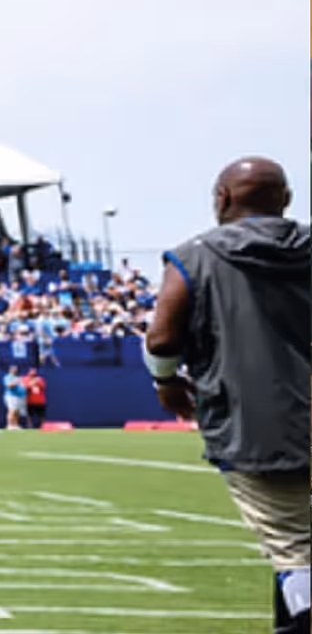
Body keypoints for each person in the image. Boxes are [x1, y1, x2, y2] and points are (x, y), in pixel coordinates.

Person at [145, 156, 310, 634]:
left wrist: (166, 380)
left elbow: (161, 339)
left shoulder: (195, 255)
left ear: (221, 198)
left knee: (296, 550)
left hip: (257, 426)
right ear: (287, 199)